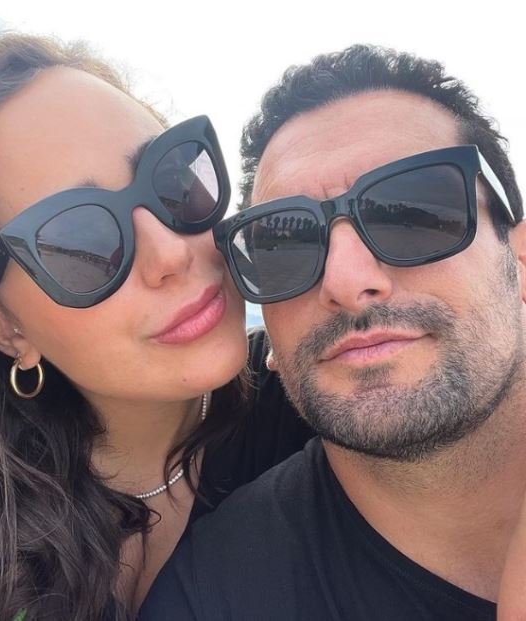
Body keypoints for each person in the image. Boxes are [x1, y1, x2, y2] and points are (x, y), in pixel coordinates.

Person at [0, 34, 313, 620]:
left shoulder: (318, 406)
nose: (173, 253)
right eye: (81, 241)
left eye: (175, 183)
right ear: (2, 325)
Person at [140, 44, 525, 620]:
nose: (345, 282)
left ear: (518, 260)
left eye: (410, 212)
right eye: (282, 244)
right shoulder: (212, 596)